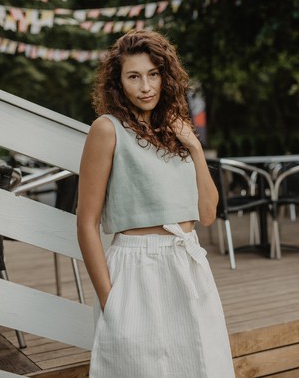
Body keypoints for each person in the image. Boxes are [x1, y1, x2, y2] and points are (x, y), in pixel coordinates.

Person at [76, 29, 235, 378]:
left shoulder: (176, 131)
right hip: (135, 268)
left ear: (166, 76)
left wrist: (193, 146)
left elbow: (207, 214)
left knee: (202, 366)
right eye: (133, 76)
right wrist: (110, 300)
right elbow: (86, 223)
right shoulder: (107, 130)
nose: (145, 86)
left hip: (187, 262)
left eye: (153, 74)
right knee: (139, 368)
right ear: (118, 82)